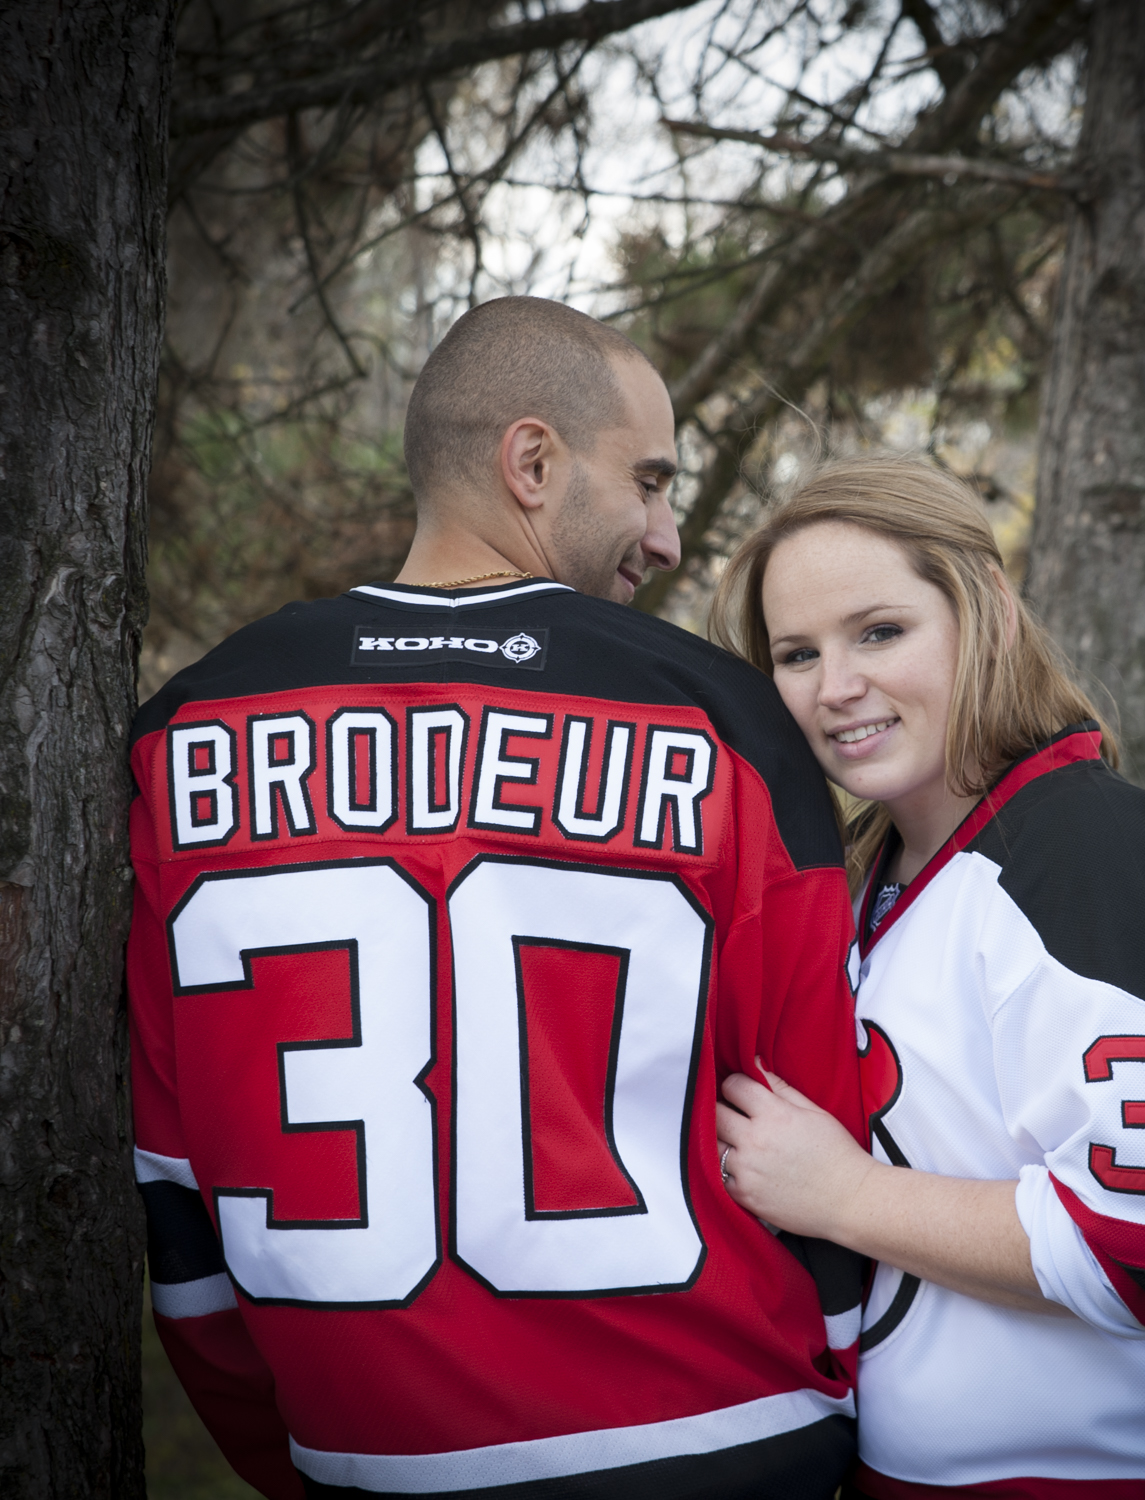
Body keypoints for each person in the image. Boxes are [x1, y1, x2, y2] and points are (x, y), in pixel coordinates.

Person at [127, 297, 866, 1500]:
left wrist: (309, 1458)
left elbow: (175, 1191)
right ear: (532, 462)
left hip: (364, 1457)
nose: (668, 536)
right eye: (650, 481)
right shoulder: (723, 725)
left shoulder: (183, 738)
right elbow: (815, 1122)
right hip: (725, 1442)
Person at [708, 457, 1145, 1499]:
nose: (835, 686)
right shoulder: (872, 877)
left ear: (982, 607)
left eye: (879, 632)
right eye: (796, 654)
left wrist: (845, 1195)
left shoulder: (1092, 850)